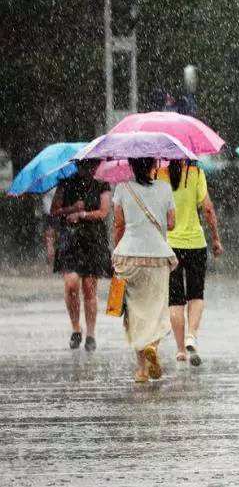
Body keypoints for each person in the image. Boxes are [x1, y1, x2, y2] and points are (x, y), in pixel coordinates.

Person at [112, 158, 177, 383]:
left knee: (134, 312)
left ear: (131, 165)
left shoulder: (122, 187)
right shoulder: (165, 188)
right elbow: (171, 223)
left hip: (128, 255)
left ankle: (141, 370)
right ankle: (152, 346)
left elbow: (118, 224)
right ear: (154, 165)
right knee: (157, 310)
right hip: (157, 256)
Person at [156, 161, 223, 366]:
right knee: (196, 294)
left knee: (175, 300)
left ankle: (179, 350)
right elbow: (208, 209)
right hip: (195, 243)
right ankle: (191, 337)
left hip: (170, 245)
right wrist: (215, 238)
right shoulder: (196, 172)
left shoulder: (159, 175)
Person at [50, 160, 112, 351]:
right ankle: (76, 328)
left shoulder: (102, 183)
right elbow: (54, 210)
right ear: (77, 165)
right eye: (84, 165)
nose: (89, 169)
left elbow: (103, 212)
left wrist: (83, 214)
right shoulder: (65, 182)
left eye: (92, 165)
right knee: (71, 285)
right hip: (70, 241)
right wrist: (73, 209)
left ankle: (90, 334)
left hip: (93, 241)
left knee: (89, 289)